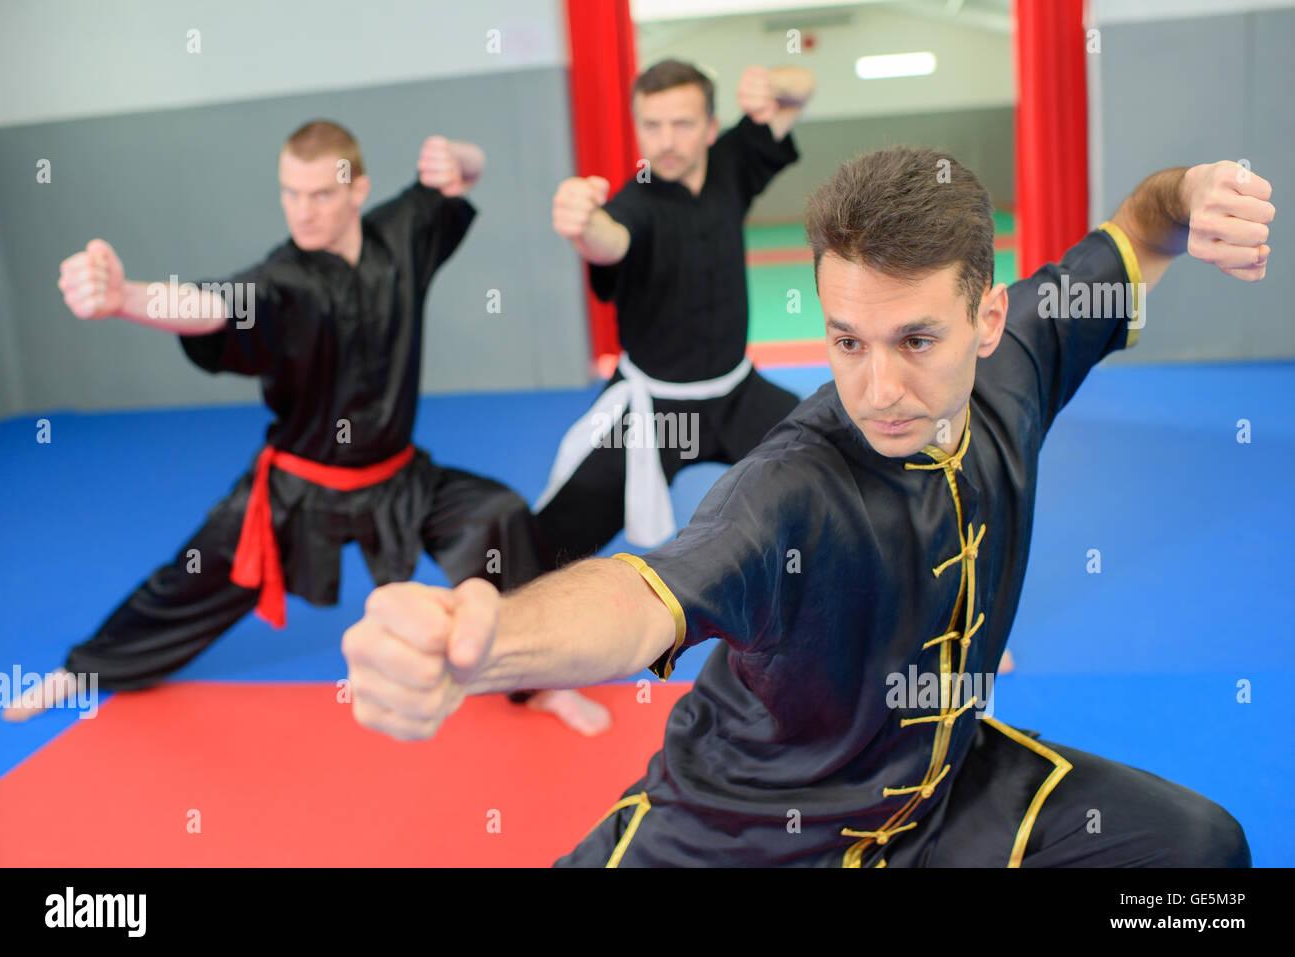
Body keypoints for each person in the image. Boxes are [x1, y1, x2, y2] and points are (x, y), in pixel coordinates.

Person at [340, 145, 1270, 867]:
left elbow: (1142, 227)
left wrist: (1193, 197)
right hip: (736, 833)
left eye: (914, 339)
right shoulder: (789, 487)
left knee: (1199, 859)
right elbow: (640, 599)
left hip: (936, 799)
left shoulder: (1021, 360)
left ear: (990, 322)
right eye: (846, 340)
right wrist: (486, 638)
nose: (879, 387)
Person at [3, 120, 606, 735]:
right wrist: (125, 296)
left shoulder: (402, 233)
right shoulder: (282, 281)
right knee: (191, 575)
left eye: (320, 194)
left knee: (498, 514)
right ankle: (83, 671)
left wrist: (461, 152)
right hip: (298, 491)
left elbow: (463, 177)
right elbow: (211, 305)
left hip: (399, 477)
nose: (303, 210)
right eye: (290, 192)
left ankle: (540, 687)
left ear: (357, 190)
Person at [535, 59, 815, 565]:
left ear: (711, 127)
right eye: (651, 125)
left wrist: (776, 83)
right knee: (548, 542)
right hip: (657, 411)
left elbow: (801, 91)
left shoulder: (732, 163)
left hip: (738, 394)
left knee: (830, 465)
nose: (665, 141)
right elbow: (609, 239)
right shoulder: (634, 202)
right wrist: (582, 227)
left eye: (682, 124)